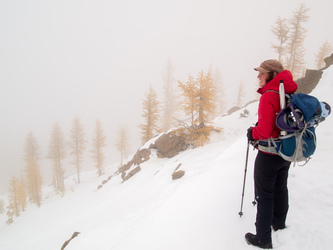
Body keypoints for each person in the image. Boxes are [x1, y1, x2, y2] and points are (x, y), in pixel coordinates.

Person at [245, 59, 298, 249]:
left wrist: (253, 132)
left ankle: (263, 239)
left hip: (269, 153)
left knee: (264, 195)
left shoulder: (268, 95)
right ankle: (279, 223)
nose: (258, 76)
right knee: (280, 188)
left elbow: (266, 131)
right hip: (286, 150)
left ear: (271, 75)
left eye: (262, 73)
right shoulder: (287, 91)